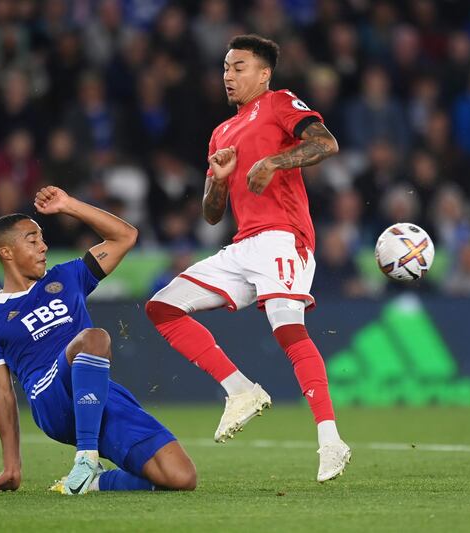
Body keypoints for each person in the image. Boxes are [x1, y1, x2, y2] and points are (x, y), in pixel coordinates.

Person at [145, 35, 350, 483]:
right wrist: (219, 180)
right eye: (225, 68)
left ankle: (331, 440)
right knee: (162, 307)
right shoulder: (222, 132)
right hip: (243, 244)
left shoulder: (279, 103)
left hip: (282, 237)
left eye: (238, 67)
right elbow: (212, 213)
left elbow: (326, 143)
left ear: (264, 74)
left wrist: (275, 162)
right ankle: (240, 391)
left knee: (287, 328)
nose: (228, 76)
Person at [0, 186, 196, 496]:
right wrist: (12, 465)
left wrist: (70, 205)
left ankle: (96, 481)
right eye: (32, 240)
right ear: (6, 252)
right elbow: (2, 393)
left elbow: (125, 236)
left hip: (94, 392)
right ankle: (86, 457)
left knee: (181, 477)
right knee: (95, 337)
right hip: (50, 398)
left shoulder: (66, 277)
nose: (43, 247)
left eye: (43, 239)